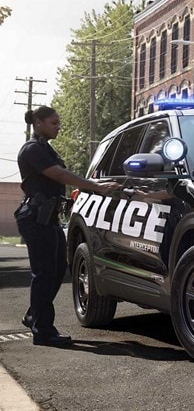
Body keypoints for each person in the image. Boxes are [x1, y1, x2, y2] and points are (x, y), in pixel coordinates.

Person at [15, 106, 122, 346]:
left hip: (48, 217)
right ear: (39, 123)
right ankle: (43, 332)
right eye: (54, 123)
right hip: (36, 218)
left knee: (57, 270)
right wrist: (97, 187)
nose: (58, 127)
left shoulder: (44, 148)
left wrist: (97, 184)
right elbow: (60, 175)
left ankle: (34, 315)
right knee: (43, 274)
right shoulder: (32, 150)